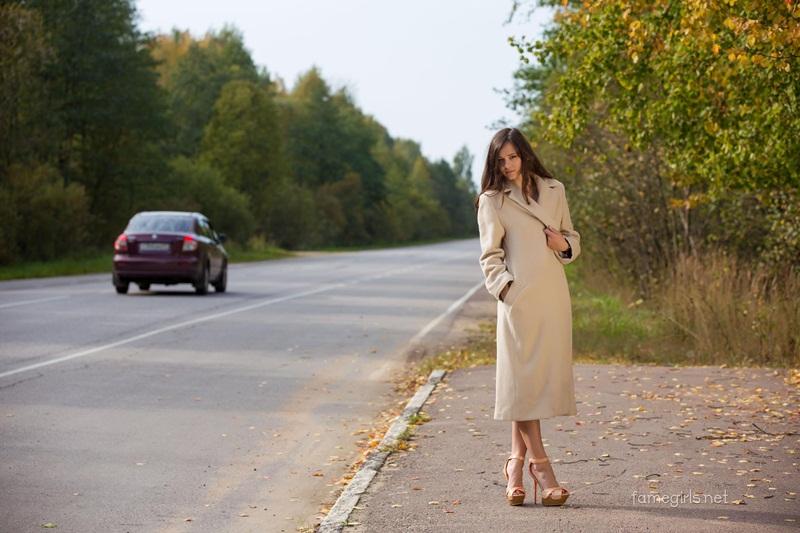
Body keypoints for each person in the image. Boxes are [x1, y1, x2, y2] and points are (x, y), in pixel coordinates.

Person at [475, 127, 581, 507]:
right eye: (500, 160)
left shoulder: (554, 190)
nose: (507, 165)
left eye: (513, 157)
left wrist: (564, 244)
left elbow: (572, 237)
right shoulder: (492, 200)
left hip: (552, 298)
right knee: (522, 385)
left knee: (530, 385)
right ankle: (541, 467)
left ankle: (514, 465)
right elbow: (490, 257)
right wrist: (509, 292)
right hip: (518, 303)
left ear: (525, 154)